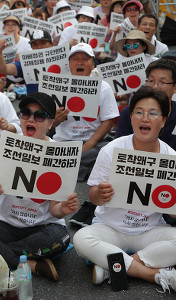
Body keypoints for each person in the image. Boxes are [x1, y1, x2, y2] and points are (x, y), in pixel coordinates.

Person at [0, 92, 79, 280]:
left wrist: (65, 208)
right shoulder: (6, 146)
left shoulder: (58, 154)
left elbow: (55, 211)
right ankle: (29, 263)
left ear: (51, 123)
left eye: (40, 115)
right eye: (26, 113)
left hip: (42, 227)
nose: (31, 119)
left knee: (60, 238)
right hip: (7, 225)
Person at [73, 86, 176, 293]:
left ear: (163, 121)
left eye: (152, 113)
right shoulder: (111, 150)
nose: (145, 118)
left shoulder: (171, 158)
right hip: (110, 228)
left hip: (149, 230)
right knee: (81, 239)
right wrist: (100, 194)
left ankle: (112, 266)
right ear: (131, 118)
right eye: (139, 112)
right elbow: (93, 197)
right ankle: (154, 274)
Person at [53, 43, 119, 182]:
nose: (80, 62)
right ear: (69, 64)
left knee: (111, 152)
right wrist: (56, 119)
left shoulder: (103, 87)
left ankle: (77, 165)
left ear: (93, 64)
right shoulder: (57, 86)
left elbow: (108, 121)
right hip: (64, 142)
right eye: (75, 59)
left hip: (93, 143)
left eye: (85, 59)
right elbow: (48, 124)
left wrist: (88, 145)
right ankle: (84, 166)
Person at [115, 58, 176, 151]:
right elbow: (118, 151)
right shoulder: (128, 112)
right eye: (151, 81)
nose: (155, 86)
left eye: (162, 82)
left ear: (175, 88)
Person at [0, 30, 53, 95]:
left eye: (43, 43)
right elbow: (4, 69)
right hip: (33, 103)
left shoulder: (63, 59)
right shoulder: (26, 63)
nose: (39, 47)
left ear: (51, 44)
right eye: (35, 44)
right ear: (31, 47)